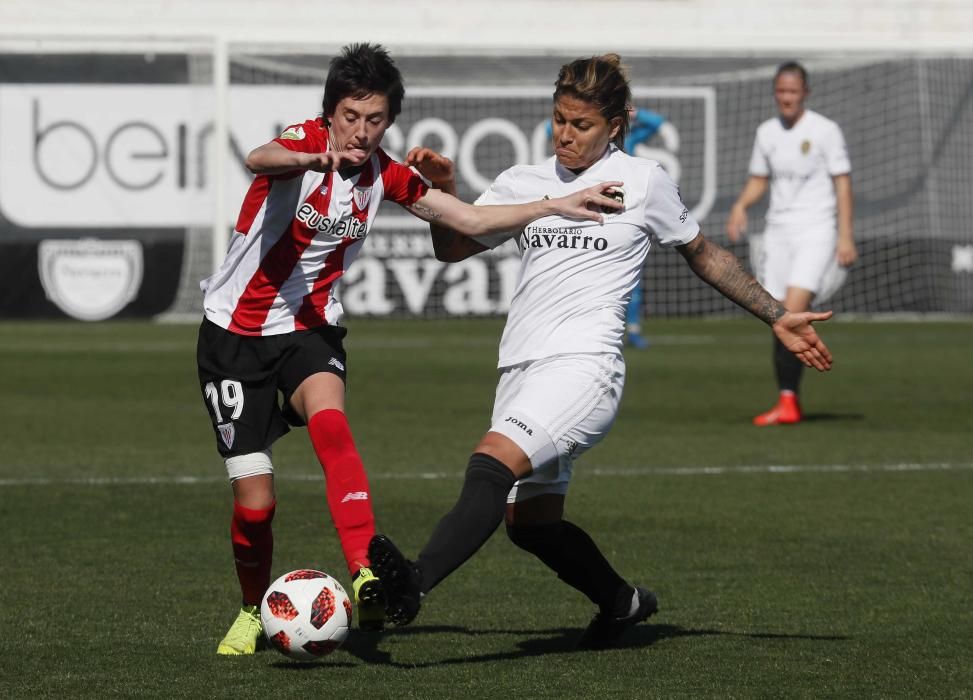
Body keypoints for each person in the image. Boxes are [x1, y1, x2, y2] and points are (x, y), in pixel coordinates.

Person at [368, 54, 834, 649]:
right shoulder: (524, 182)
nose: (565, 134)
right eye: (559, 119)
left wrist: (777, 314)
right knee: (530, 525)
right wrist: (446, 189)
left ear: (616, 125)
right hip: (520, 368)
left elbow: (704, 254)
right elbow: (453, 248)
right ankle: (623, 602)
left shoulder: (644, 182)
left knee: (489, 461)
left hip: (585, 369)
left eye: (581, 124)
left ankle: (413, 582)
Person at [197, 42, 624, 655]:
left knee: (333, 425)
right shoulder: (305, 142)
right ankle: (249, 606)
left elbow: (471, 222)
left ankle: (366, 572)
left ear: (390, 122)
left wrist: (556, 203)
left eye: (375, 120)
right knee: (256, 504)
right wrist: (316, 156)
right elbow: (257, 157)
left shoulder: (387, 175)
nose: (360, 131)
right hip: (232, 338)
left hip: (309, 331)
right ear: (331, 112)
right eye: (350, 116)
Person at [726, 61, 856, 426]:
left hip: (816, 230)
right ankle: (788, 399)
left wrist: (845, 234)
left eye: (793, 91)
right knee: (778, 316)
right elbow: (759, 179)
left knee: (792, 311)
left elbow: (842, 183)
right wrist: (740, 205)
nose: (786, 98)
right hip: (777, 233)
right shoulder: (766, 132)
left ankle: (789, 403)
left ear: (805, 93)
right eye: (781, 91)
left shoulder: (825, 131)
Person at [547, 105, 671, 349]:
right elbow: (545, 129)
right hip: (587, 205)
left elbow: (657, 122)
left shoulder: (631, 139)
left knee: (631, 278)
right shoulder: (583, 144)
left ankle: (633, 331)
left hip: (619, 206)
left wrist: (635, 114)